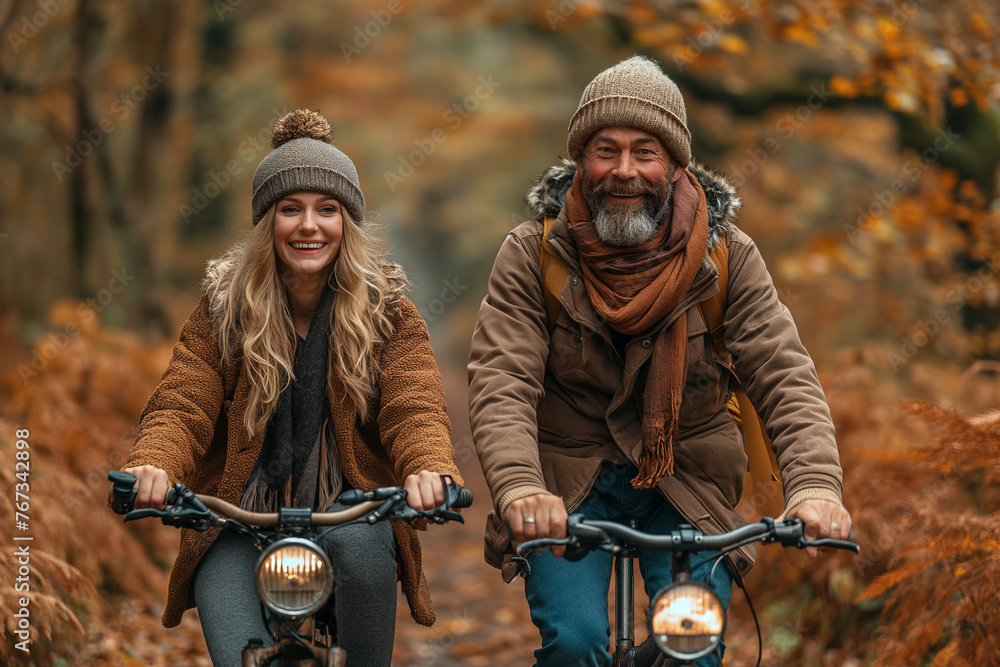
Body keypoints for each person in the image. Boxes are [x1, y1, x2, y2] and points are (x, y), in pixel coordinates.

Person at [467, 56, 853, 667]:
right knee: (575, 643)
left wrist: (814, 486)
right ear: (579, 161)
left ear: (675, 165)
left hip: (690, 478)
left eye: (646, 152)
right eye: (605, 150)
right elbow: (501, 379)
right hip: (568, 483)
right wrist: (519, 488)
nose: (624, 171)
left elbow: (784, 374)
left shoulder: (727, 257)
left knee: (689, 644)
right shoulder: (532, 253)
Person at [121, 108, 462, 667]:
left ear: (346, 223)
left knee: (366, 560)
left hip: (353, 510)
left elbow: (414, 406)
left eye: (327, 209)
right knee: (232, 640)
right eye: (290, 210)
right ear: (266, 223)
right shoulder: (222, 310)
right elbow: (184, 401)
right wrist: (152, 463)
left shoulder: (389, 312)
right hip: (235, 514)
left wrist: (429, 470)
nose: (309, 225)